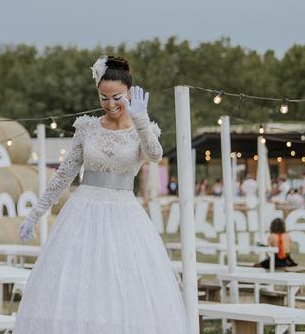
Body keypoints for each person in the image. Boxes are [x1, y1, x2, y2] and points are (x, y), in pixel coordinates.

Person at [15, 56, 187, 333]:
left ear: (129, 93)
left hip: (124, 214)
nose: (110, 105)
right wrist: (35, 214)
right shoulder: (87, 128)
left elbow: (154, 155)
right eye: (103, 98)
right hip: (83, 211)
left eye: (117, 97)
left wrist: (141, 121)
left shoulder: (142, 130)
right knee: (80, 281)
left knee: (121, 281)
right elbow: (64, 174)